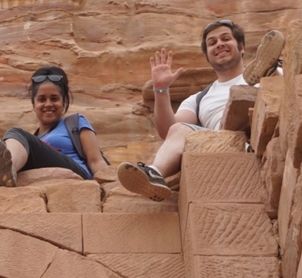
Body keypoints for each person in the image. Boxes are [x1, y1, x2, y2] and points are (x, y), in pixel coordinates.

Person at [117, 19, 284, 201]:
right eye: (212, 43)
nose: (219, 44)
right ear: (207, 56)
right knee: (180, 129)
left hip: (263, 130)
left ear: (242, 47)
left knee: (268, 91)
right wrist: (161, 89)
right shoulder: (199, 99)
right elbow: (168, 131)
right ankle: (155, 174)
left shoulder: (262, 77)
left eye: (225, 39)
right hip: (224, 144)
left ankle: (271, 69)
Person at [0, 65, 110, 188]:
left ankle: (6, 164)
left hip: (78, 174)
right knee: (0, 149)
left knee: (16, 134)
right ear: (33, 104)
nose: (48, 104)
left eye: (54, 98)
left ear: (64, 102)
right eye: (41, 99)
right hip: (34, 164)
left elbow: (95, 161)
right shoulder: (30, 143)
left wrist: (109, 186)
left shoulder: (75, 122)